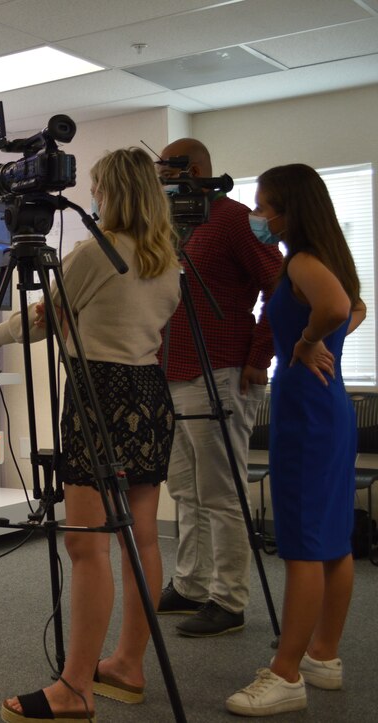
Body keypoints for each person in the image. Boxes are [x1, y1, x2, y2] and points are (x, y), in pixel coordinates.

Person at [0, 148, 180, 721]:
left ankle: (75, 688)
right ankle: (127, 666)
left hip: (100, 397)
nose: (94, 198)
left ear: (114, 193)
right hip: (149, 398)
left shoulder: (93, 254)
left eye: (100, 189)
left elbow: (45, 317)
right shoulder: (166, 259)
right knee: (144, 539)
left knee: (87, 546)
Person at [226, 164, 365, 716]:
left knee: (305, 544)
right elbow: (354, 306)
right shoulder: (324, 258)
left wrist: (309, 341)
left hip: (308, 408)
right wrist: (323, 337)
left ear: (291, 210)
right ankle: (322, 658)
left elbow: (335, 309)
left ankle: (286, 675)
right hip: (324, 406)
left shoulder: (305, 260)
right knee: (332, 538)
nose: (258, 217)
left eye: (265, 207)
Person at [156, 138, 283, 637]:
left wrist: (261, 355)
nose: (160, 179)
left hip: (223, 372)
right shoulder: (169, 225)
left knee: (220, 492)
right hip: (172, 373)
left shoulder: (233, 219)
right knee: (185, 489)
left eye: (166, 169)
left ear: (192, 170)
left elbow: (281, 283)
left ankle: (229, 600)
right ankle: (191, 584)